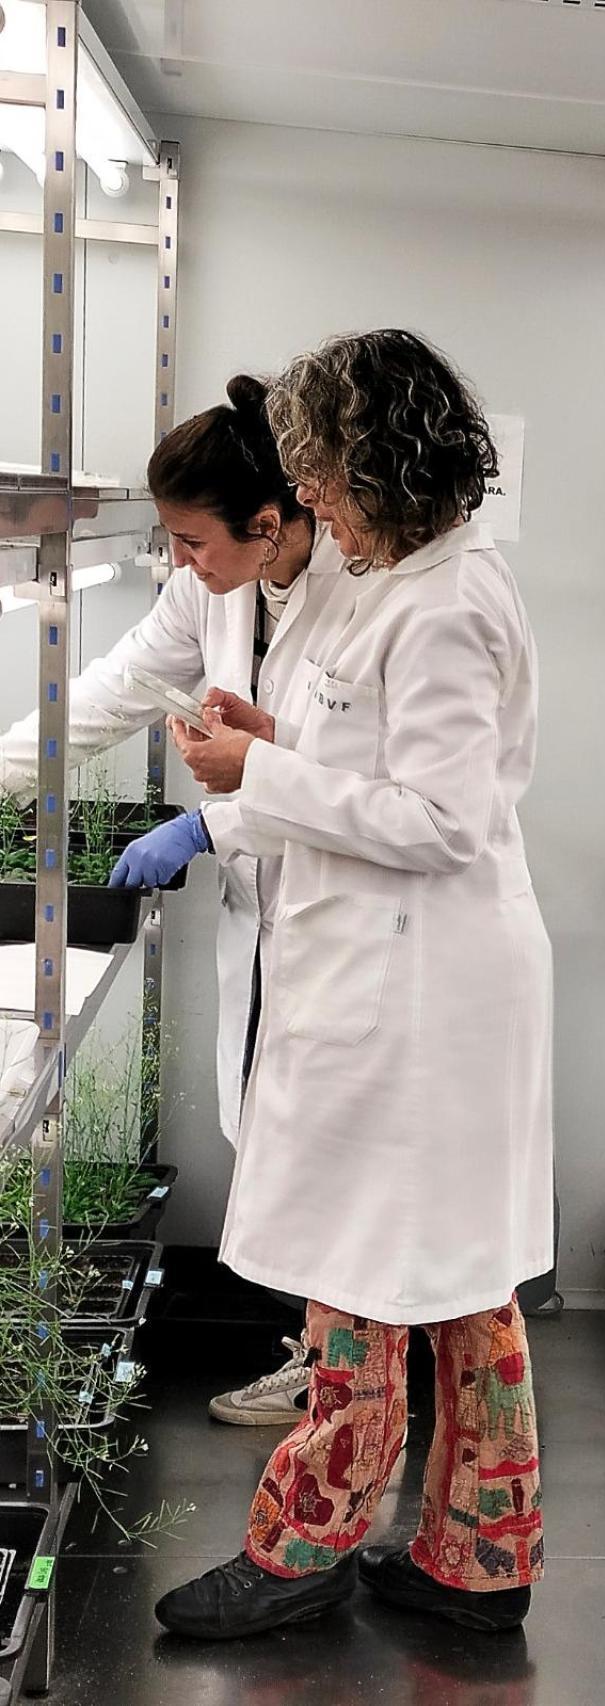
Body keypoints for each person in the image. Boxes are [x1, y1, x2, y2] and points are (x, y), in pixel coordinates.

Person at [140, 330, 554, 1640]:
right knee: (439, 1276)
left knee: (370, 1269)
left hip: (419, 993)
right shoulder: (399, 583)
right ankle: (477, 1555)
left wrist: (256, 778)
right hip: (384, 969)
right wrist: (271, 745)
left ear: (386, 461)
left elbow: (439, 818)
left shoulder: (446, 606)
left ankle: (303, 1545)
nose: (310, 500)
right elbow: (363, 768)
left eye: (324, 477)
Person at [0, 376, 343, 1424]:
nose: (181, 563)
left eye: (194, 541)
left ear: (270, 523)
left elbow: (355, 775)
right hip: (267, 907)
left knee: (329, 1141)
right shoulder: (214, 587)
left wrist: (209, 822)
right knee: (274, 1123)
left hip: (345, 907)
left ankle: (340, 1375)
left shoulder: (358, 596)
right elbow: (120, 684)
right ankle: (326, 1353)